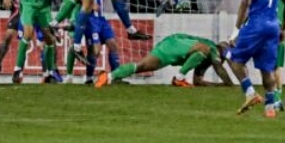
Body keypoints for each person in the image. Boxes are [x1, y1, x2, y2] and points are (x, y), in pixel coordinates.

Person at [227, 0, 285, 118]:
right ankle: (270, 107)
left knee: (233, 58)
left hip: (256, 25)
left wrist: (236, 31)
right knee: (267, 69)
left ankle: (250, 93)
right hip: (273, 27)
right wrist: (284, 27)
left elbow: (245, 4)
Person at [95, 34, 227, 89]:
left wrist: (219, 86)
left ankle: (107, 77)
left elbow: (197, 82)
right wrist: (231, 86)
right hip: (176, 44)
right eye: (224, 57)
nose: (223, 60)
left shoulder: (203, 58)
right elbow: (219, 68)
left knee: (141, 66)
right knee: (204, 48)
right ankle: (179, 78)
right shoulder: (213, 48)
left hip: (168, 45)